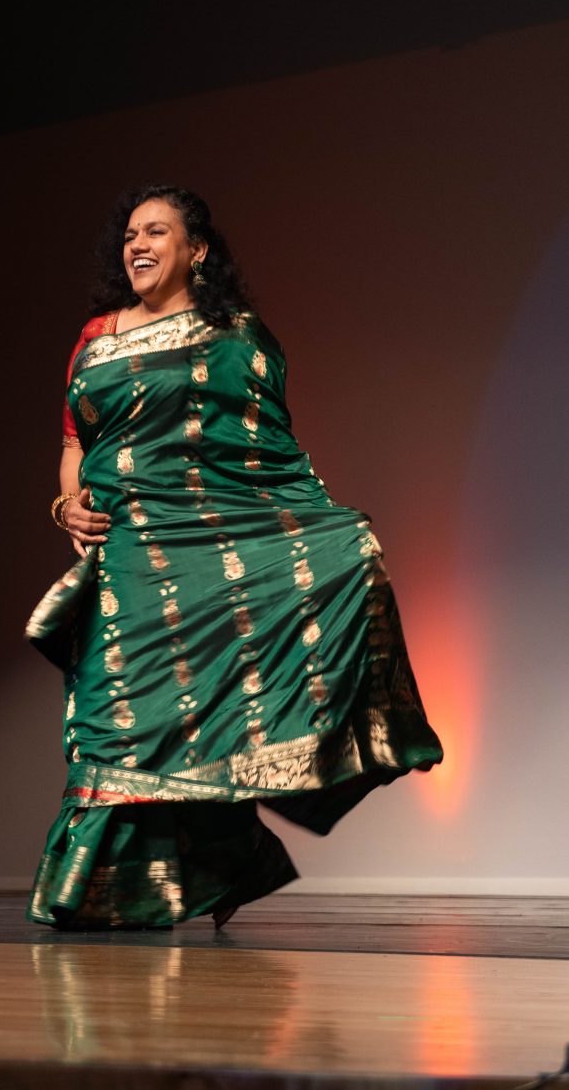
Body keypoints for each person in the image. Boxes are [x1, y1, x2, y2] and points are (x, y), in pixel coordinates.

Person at [24, 184, 444, 930]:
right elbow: (72, 445)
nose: (137, 246)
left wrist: (327, 532)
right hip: (127, 555)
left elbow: (260, 458)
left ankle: (182, 879)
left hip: (205, 540)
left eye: (156, 232)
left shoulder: (235, 335)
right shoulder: (95, 335)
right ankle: (110, 893)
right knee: (119, 716)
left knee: (338, 564)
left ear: (198, 250)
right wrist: (68, 507)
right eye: (129, 235)